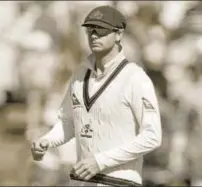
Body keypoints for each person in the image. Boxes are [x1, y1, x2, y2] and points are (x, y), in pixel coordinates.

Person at [31, 5, 162, 186]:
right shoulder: (78, 78)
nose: (94, 35)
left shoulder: (136, 79)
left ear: (118, 34)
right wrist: (48, 140)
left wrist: (101, 161)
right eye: (91, 30)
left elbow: (152, 136)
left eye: (101, 30)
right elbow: (68, 122)